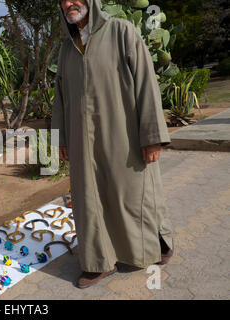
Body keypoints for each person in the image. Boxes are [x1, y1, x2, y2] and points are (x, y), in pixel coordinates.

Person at [51, 0, 174, 289]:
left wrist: (152, 135)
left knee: (132, 193)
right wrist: (62, 139)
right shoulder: (67, 49)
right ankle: (98, 262)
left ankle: (155, 243)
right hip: (82, 139)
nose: (70, 3)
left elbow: (145, 82)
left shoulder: (121, 31)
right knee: (89, 200)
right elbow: (60, 99)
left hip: (124, 134)